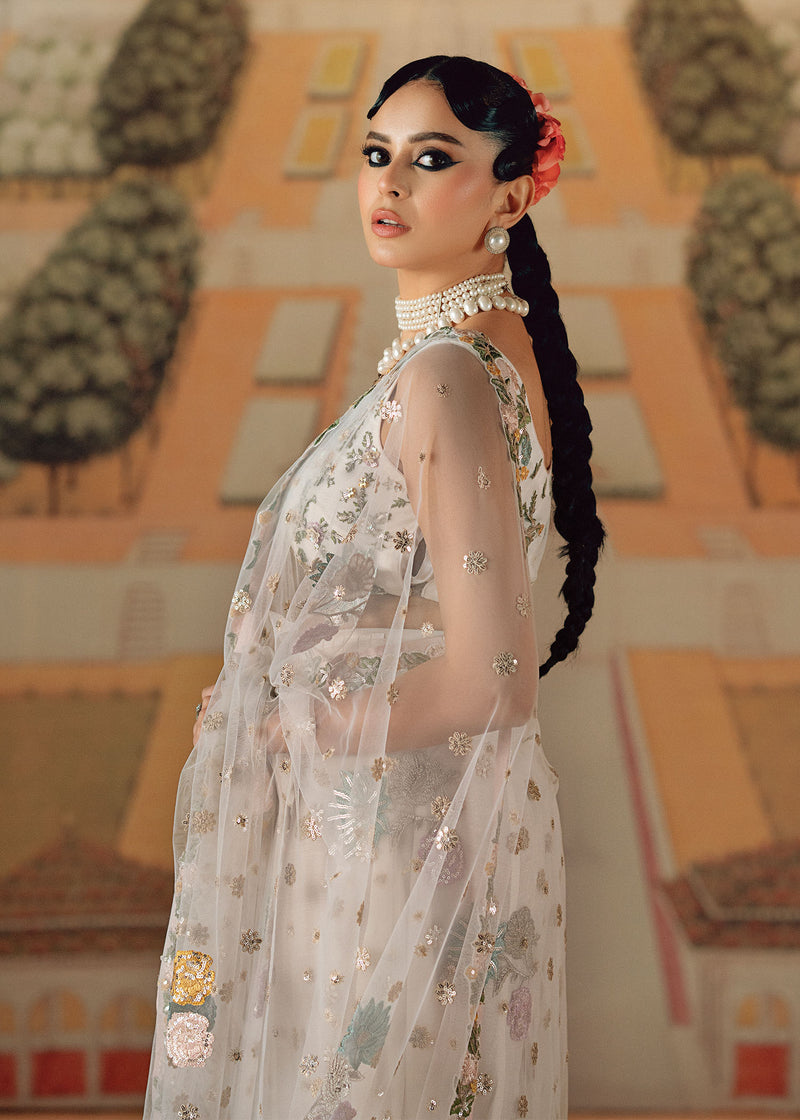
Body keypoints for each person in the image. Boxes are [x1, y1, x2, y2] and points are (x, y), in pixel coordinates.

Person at [144, 55, 604, 1120]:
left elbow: (492, 677)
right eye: (375, 153)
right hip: (385, 824)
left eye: (431, 159)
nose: (388, 183)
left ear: (510, 197)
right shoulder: (471, 358)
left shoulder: (446, 376)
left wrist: (286, 727)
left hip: (379, 843)